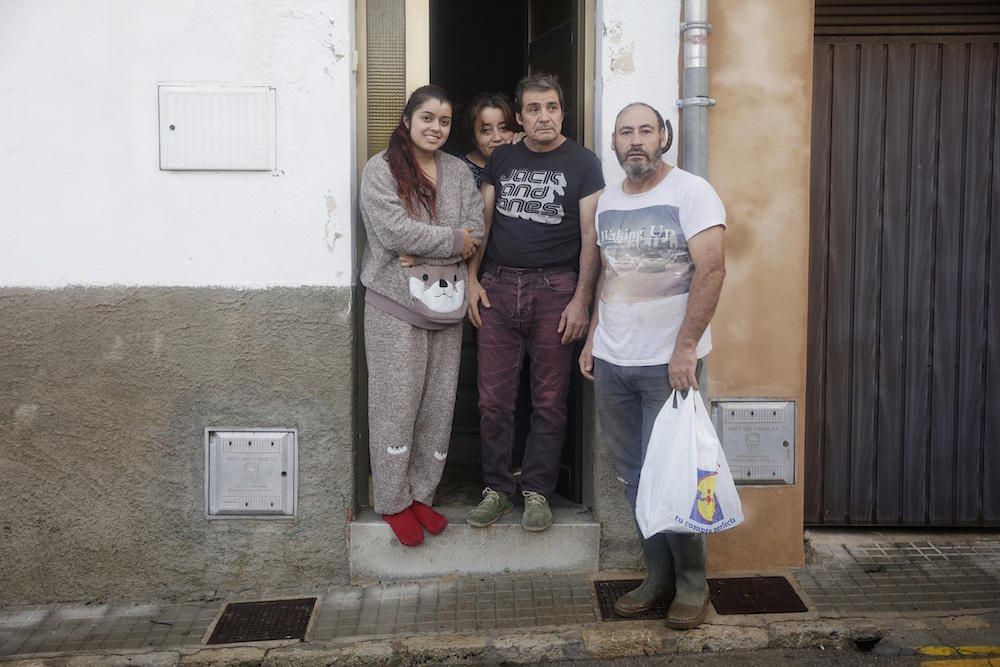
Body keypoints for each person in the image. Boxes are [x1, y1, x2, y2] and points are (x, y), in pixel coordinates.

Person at [579, 102, 726, 629]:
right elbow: (606, 274)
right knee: (635, 477)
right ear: (614, 144)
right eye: (625, 132)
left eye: (645, 130)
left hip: (669, 367)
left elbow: (712, 271)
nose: (635, 140)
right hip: (614, 360)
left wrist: (686, 348)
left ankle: (693, 584)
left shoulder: (691, 191)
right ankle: (657, 577)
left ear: (664, 135)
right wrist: (592, 336)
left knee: (677, 474)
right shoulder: (607, 201)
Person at [465, 73, 604, 532]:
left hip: (556, 291)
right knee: (492, 401)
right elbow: (482, 225)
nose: (543, 116)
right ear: (520, 118)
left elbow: (591, 239)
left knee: (549, 400)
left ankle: (538, 491)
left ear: (563, 111)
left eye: (551, 107)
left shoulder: (584, 162)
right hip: (499, 289)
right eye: (533, 109)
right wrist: (472, 280)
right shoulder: (502, 158)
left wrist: (582, 301)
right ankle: (497, 490)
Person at [359, 85, 484, 547]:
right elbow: (393, 232)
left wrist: (428, 253)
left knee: (437, 406)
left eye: (445, 121)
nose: (436, 128)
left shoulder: (456, 171)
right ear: (407, 119)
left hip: (444, 309)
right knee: (397, 403)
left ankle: (421, 495)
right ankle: (392, 500)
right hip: (395, 308)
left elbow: (478, 227)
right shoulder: (381, 169)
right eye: (428, 118)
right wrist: (452, 245)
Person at [459, 92, 517, 189]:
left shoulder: (522, 161)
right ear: (472, 135)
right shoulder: (459, 170)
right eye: (486, 130)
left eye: (504, 128)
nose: (497, 138)